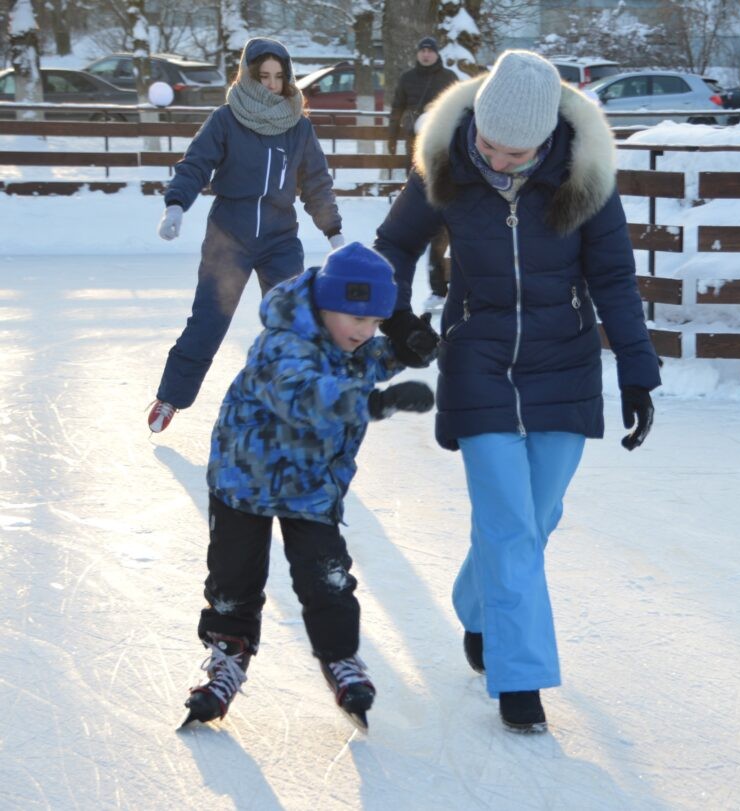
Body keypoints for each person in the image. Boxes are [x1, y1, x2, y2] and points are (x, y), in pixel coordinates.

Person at [373, 50, 661, 733]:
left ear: (547, 139)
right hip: (478, 355)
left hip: (564, 359)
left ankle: (479, 607)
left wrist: (637, 369)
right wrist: (399, 317)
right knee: (508, 522)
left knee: (537, 515)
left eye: (516, 152)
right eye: (490, 144)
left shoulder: (584, 176)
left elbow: (613, 277)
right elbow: (394, 245)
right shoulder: (447, 163)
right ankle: (521, 674)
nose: (497, 160)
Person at [179, 242, 435, 730]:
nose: (365, 331)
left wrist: (403, 350)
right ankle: (226, 659)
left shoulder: (345, 338)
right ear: (323, 305)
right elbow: (305, 396)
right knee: (233, 579)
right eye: (356, 318)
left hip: (312, 483)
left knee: (328, 578)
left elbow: (364, 359)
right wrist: (377, 403)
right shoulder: (281, 344)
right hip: (244, 480)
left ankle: (340, 657)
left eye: (375, 322)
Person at [149, 37, 344, 434]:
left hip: (280, 239)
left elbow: (317, 183)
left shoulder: (298, 127)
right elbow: (196, 164)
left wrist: (334, 232)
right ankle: (171, 397)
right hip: (229, 238)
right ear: (248, 76)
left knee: (294, 322)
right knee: (209, 321)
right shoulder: (226, 119)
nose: (271, 84)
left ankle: (296, 403)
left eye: (279, 76)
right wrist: (176, 204)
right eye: (263, 76)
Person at [386, 35, 457, 303]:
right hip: (415, 146)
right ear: (418, 53)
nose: (426, 54)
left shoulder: (448, 78)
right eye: (423, 50)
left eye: (430, 50)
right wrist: (392, 136)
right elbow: (397, 107)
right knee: (419, 205)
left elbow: (459, 110)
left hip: (443, 148)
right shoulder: (407, 78)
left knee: (443, 219)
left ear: (437, 54)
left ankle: (441, 285)